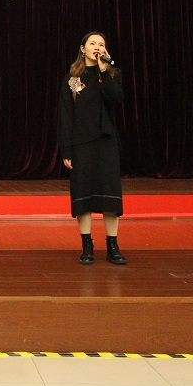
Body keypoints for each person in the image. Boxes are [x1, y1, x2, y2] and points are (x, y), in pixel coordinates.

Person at [57, 31, 125, 265]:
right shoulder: (72, 79)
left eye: (101, 44)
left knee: (110, 197)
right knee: (83, 196)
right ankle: (87, 245)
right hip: (81, 144)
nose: (97, 47)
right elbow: (65, 115)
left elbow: (116, 99)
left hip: (106, 142)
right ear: (82, 48)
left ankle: (113, 245)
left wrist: (104, 72)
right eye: (93, 43)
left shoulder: (112, 74)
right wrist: (66, 149)